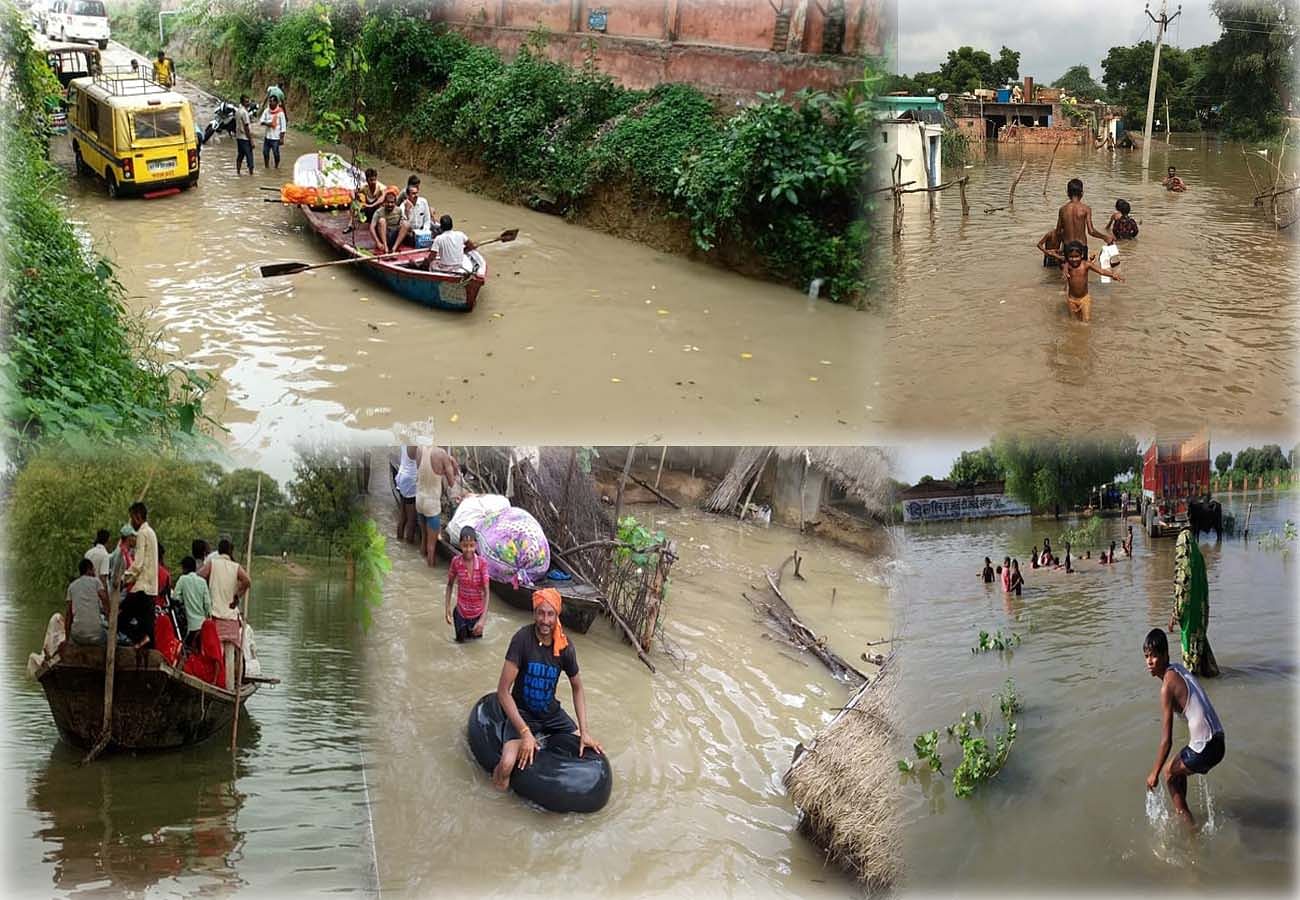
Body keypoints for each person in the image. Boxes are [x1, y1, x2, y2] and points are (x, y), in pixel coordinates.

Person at [492, 588, 603, 790]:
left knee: (586, 747)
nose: (545, 620)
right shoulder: (522, 640)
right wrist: (525, 732)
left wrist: (585, 731)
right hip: (523, 714)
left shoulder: (565, 647)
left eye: (550, 614)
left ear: (557, 615)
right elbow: (503, 692)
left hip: (551, 714)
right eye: (541, 613)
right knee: (507, 764)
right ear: (534, 613)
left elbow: (577, 688)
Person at [1143, 628, 1225, 829]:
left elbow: (1166, 740)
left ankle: (1189, 828)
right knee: (1175, 768)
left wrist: (1153, 773)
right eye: (1146, 656)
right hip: (1219, 740)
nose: (1149, 661)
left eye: (1154, 656)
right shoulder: (1178, 668)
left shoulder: (1166, 688)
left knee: (1167, 773)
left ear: (1165, 655)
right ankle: (1183, 811)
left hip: (1206, 747)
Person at [199, 538, 252, 689]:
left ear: (219, 550)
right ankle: (229, 687)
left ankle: (216, 683)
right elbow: (247, 581)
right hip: (230, 616)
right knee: (229, 655)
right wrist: (237, 595)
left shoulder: (213, 564)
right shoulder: (235, 567)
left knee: (217, 653)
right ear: (230, 551)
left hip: (216, 615)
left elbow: (199, 576)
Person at [1171, 529, 1219, 677]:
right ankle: (1209, 674)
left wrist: (1175, 614)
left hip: (1189, 618)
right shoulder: (1199, 560)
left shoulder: (1184, 564)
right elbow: (1205, 588)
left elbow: (1181, 590)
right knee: (1201, 644)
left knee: (1190, 652)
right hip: (1201, 614)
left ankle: (1191, 680)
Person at [1045, 240, 1126, 322]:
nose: (1074, 259)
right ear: (1067, 257)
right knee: (1074, 322)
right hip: (1071, 300)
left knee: (1086, 321)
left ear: (1082, 255)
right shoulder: (1068, 266)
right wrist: (1064, 269)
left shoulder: (1086, 265)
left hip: (1084, 299)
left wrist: (1112, 275)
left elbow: (1101, 271)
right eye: (1071, 257)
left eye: (1076, 256)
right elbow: (1064, 265)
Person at [121, 502, 158, 649]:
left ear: (137, 517)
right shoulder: (152, 533)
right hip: (150, 589)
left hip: (142, 588)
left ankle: (139, 639)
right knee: (147, 628)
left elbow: (139, 563)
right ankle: (144, 644)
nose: (131, 523)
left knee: (120, 619)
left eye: (131, 519)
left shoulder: (143, 533)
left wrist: (125, 578)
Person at [417, 444, 460, 566]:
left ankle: (420, 566)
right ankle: (429, 574)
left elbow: (419, 471)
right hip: (432, 505)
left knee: (424, 539)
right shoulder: (442, 454)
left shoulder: (420, 448)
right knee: (432, 547)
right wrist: (453, 464)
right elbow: (452, 483)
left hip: (419, 500)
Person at [446, 526, 490, 641]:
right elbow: (449, 585)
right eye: (465, 546)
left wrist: (482, 620)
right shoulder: (456, 562)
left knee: (475, 647)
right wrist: (447, 609)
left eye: (471, 545)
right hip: (460, 613)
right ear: (460, 545)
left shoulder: (482, 564)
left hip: (477, 615)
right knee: (460, 647)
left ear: (476, 545)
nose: (468, 549)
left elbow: (486, 592)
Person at [1054, 178, 1111, 257]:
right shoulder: (1086, 209)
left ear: (1067, 193)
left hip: (1068, 247)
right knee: (1082, 269)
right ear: (1082, 193)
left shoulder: (1062, 209)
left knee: (1068, 269)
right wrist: (1104, 237)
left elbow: (1058, 232)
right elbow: (1091, 231)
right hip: (1081, 247)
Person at [65, 558, 109, 646]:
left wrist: (67, 639)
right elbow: (104, 599)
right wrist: (108, 614)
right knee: (111, 636)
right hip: (96, 636)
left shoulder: (72, 586)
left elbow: (68, 615)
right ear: (89, 569)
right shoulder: (96, 582)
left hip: (78, 636)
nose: (94, 572)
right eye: (93, 569)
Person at [174, 555, 211, 651]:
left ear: (185, 568)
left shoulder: (183, 579)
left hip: (191, 626)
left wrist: (183, 600)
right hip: (203, 624)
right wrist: (208, 617)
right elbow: (207, 604)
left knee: (188, 650)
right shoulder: (202, 582)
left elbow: (175, 597)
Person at [396, 175, 433, 249]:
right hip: (410, 233)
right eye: (413, 194)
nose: (416, 195)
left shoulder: (424, 202)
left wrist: (425, 231)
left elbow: (427, 220)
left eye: (416, 193)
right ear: (408, 195)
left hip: (422, 232)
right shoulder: (402, 206)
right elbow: (405, 224)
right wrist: (407, 211)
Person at [394, 444, 419, 544]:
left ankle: (399, 541)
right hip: (411, 481)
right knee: (411, 519)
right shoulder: (414, 444)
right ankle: (409, 545)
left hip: (402, 476)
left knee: (403, 515)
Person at [369, 188, 402, 254]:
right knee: (382, 220)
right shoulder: (378, 212)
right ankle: (385, 247)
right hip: (383, 235)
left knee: (406, 224)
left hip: (394, 235)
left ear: (395, 203)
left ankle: (394, 248)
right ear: (384, 202)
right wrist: (378, 242)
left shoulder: (399, 210)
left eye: (392, 202)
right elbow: (372, 227)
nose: (390, 204)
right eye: (388, 202)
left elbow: (403, 223)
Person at [260, 96, 286, 170]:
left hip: (276, 138)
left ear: (276, 102)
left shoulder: (280, 113)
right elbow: (261, 121)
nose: (271, 103)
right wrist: (268, 124)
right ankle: (267, 167)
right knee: (265, 153)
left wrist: (282, 138)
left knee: (276, 154)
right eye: (270, 101)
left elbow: (283, 126)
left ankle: (276, 167)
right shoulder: (266, 111)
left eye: (273, 101)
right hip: (267, 137)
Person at [234, 94, 255, 176]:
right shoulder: (244, 112)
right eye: (246, 101)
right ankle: (251, 174)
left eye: (248, 101)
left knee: (240, 155)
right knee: (249, 156)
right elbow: (246, 127)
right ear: (242, 102)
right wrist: (251, 140)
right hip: (245, 138)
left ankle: (238, 172)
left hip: (239, 137)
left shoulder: (238, 111)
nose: (248, 103)